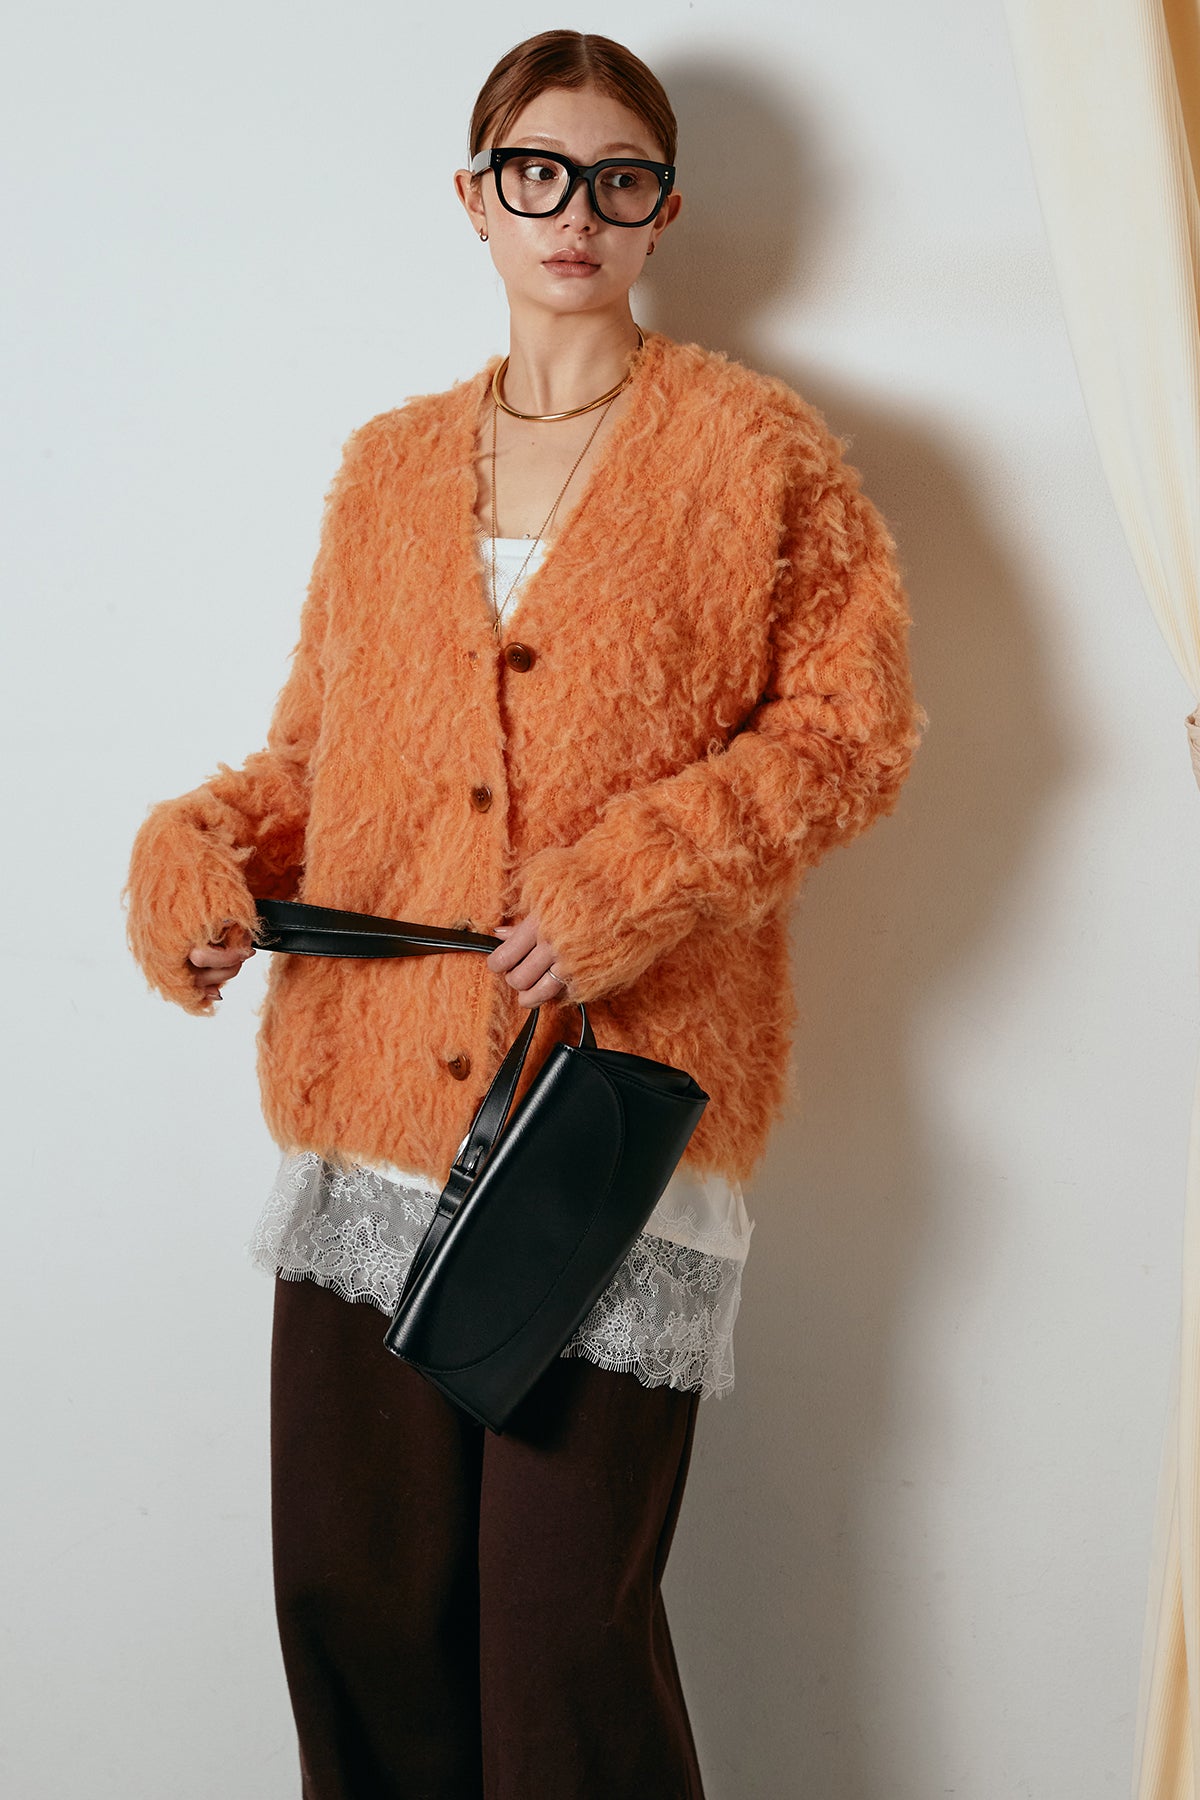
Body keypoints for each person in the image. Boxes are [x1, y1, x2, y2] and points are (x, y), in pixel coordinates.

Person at [122, 27, 927, 1799]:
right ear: (475, 199)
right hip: (370, 1111)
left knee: (561, 1643)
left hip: (605, 1120)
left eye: (618, 180)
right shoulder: (390, 468)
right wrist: (200, 854)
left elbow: (850, 734)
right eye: (538, 174)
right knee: (357, 1607)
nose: (576, 211)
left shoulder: (757, 455)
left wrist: (635, 880)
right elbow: (319, 758)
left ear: (664, 212)